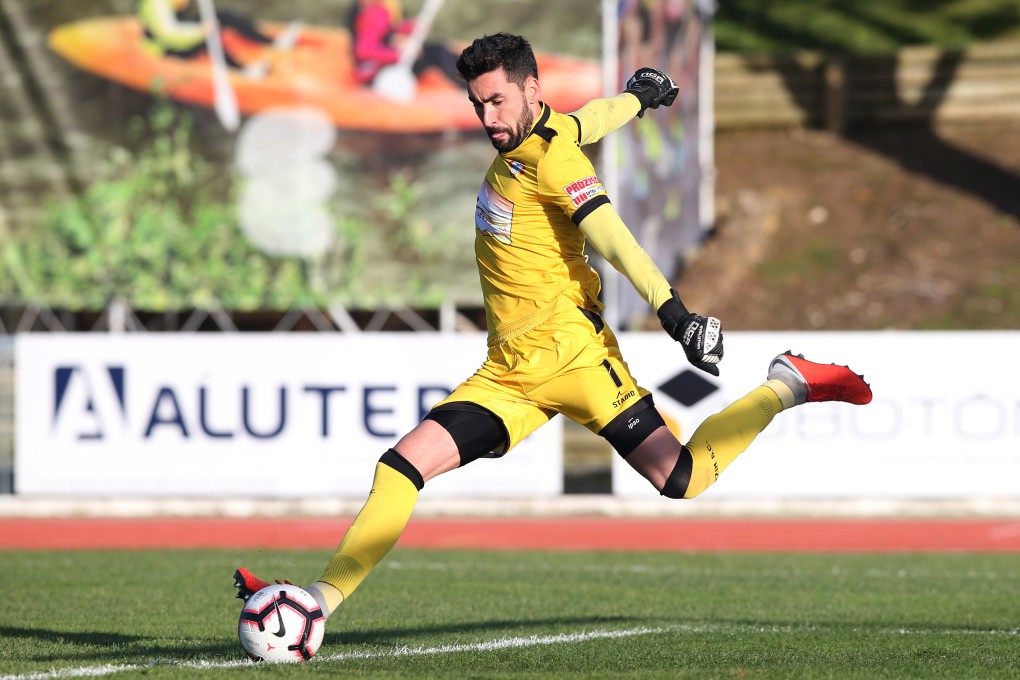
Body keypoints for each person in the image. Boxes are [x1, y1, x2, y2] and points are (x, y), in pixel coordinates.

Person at [234, 33, 872, 631]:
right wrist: (639, 99)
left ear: (531, 89)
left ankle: (786, 385)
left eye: (497, 101)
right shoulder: (545, 129)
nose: (487, 118)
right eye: (478, 103)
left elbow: (611, 235)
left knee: (681, 480)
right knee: (399, 468)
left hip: (577, 361)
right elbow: (590, 117)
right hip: (508, 374)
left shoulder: (554, 158)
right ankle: (314, 605)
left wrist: (672, 311)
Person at [136, 0, 275, 73]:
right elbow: (169, 35)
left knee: (224, 16)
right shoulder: (154, 3)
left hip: (181, 34)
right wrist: (201, 31)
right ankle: (242, 70)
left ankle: (268, 41)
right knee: (208, 40)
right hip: (164, 49)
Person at [348, 0, 461, 86]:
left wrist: (410, 27)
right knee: (436, 54)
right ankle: (466, 84)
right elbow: (363, 50)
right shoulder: (372, 12)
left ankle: (466, 79)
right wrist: (400, 53)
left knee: (438, 50)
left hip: (391, 62)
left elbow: (389, 32)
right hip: (377, 71)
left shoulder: (386, 7)